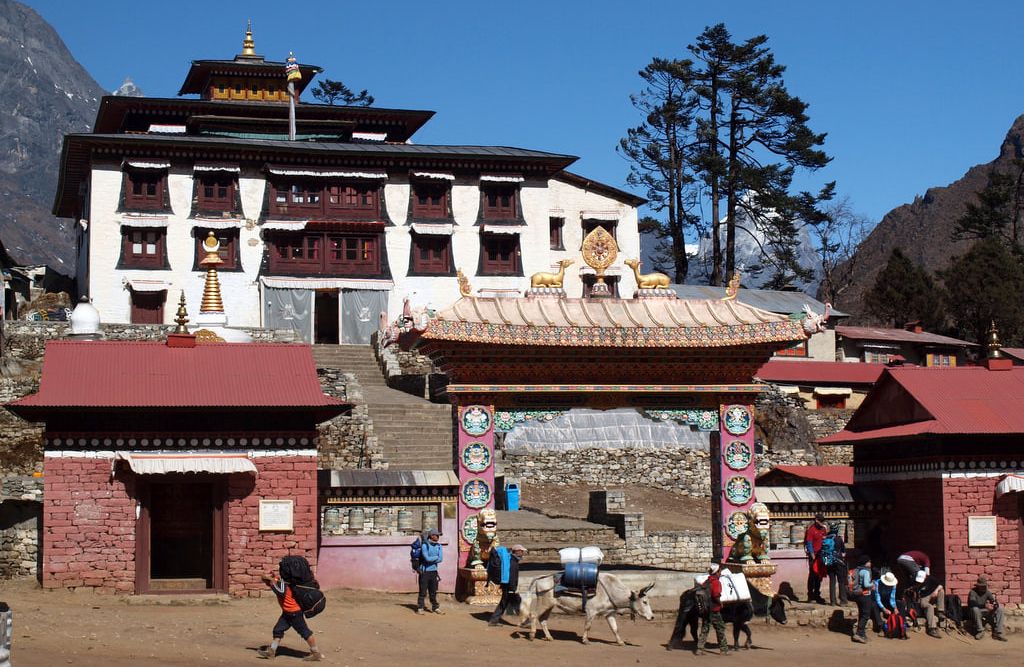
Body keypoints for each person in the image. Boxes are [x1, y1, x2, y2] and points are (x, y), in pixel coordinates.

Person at [257, 569, 324, 661]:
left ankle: (316, 653)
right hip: (287, 612)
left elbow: (280, 591)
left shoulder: (285, 584)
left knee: (305, 632)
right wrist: (273, 579)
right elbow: (277, 583)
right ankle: (271, 651)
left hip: (294, 613)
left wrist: (272, 582)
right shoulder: (284, 582)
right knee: (278, 630)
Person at [488, 544, 527, 626]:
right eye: (521, 551)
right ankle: (525, 622)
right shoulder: (513, 562)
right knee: (517, 602)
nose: (523, 553)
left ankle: (493, 620)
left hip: (507, 586)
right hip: (510, 587)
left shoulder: (511, 560)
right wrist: (514, 589)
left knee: (504, 603)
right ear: (517, 551)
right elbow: (512, 577)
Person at [696, 564, 729, 656]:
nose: (720, 573)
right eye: (720, 571)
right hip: (714, 609)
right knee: (720, 628)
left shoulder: (707, 581)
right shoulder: (716, 582)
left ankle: (699, 649)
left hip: (706, 609)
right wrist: (720, 603)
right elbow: (716, 595)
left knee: (705, 628)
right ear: (717, 572)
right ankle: (724, 649)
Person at [967, 575, 1007, 641]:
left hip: (985, 611)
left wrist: (994, 605)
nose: (983, 588)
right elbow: (973, 604)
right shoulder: (973, 592)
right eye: (981, 586)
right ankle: (980, 631)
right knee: (975, 609)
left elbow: (993, 601)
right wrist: (985, 606)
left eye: (984, 586)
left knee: (1000, 609)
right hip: (975, 612)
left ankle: (998, 632)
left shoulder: (987, 592)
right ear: (978, 586)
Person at [416, 528, 444, 615]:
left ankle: (435, 607)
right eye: (437, 535)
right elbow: (427, 558)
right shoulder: (425, 545)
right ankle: (420, 607)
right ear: (432, 536)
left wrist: (433, 558)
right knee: (423, 591)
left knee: (433, 591)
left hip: (434, 572)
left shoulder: (439, 546)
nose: (438, 537)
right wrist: (435, 557)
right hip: (425, 572)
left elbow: (441, 559)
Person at [913, 570, 945, 638]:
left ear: (925, 577)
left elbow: (941, 585)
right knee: (929, 607)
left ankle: (940, 611)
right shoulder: (916, 582)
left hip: (931, 595)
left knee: (941, 591)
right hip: (922, 598)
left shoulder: (931, 579)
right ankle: (932, 628)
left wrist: (936, 591)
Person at [822, 522, 848, 606]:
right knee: (841, 581)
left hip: (829, 562)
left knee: (832, 581)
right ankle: (843, 601)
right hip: (838, 562)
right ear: (837, 530)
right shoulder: (839, 539)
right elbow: (844, 552)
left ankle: (832, 601)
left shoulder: (826, 539)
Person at [804, 513, 828, 603]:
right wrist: (812, 554)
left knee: (819, 575)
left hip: (821, 555)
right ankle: (810, 595)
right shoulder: (811, 530)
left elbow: (825, 541)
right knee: (812, 575)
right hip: (813, 555)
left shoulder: (823, 529)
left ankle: (817, 594)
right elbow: (809, 543)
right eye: (820, 521)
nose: (821, 523)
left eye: (822, 521)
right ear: (816, 520)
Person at [851, 555, 874, 644]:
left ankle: (862, 634)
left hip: (857, 595)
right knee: (866, 615)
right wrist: (872, 584)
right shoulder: (866, 571)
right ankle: (859, 633)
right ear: (866, 563)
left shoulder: (858, 570)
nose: (870, 563)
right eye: (869, 561)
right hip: (864, 595)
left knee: (861, 614)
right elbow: (866, 585)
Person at [873, 571, 903, 638]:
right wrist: (883, 609)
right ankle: (880, 626)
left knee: (900, 604)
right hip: (878, 601)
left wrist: (895, 608)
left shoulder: (894, 585)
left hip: (887, 600)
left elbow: (892, 598)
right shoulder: (877, 583)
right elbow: (877, 598)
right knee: (874, 605)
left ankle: (900, 625)